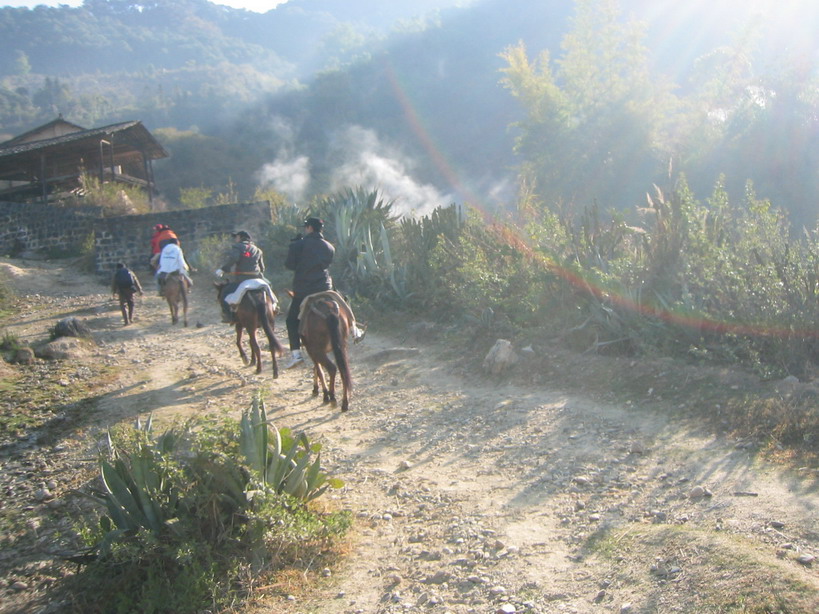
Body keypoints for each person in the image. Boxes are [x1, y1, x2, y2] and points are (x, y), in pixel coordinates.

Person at [283, 217, 364, 369]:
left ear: (309, 228)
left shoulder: (298, 245)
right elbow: (326, 264)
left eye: (305, 227)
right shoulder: (329, 247)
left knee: (291, 320)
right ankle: (354, 329)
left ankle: (296, 354)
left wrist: (296, 250)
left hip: (304, 289)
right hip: (325, 286)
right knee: (342, 301)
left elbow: (290, 265)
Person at [216, 230, 266, 323]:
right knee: (269, 289)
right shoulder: (258, 250)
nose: (235, 239)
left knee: (224, 293)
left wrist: (223, 269)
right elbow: (262, 268)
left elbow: (234, 258)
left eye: (236, 237)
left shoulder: (237, 247)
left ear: (240, 237)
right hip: (257, 278)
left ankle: (228, 316)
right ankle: (275, 307)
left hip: (242, 279)